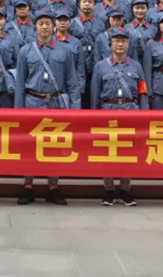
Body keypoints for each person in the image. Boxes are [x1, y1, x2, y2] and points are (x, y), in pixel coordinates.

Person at [15, 11, 80, 205]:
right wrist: (18, 112)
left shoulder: (65, 51)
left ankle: (53, 187)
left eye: (48, 24)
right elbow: (20, 83)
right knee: (30, 145)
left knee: (55, 145)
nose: (44, 27)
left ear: (54, 27)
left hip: (55, 102)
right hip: (32, 102)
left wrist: (75, 111)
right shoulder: (25, 51)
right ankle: (28, 186)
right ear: (35, 27)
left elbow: (72, 82)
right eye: (41, 23)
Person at [92, 29, 146, 206]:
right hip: (108, 109)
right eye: (116, 41)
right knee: (108, 151)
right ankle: (108, 189)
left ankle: (125, 189)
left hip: (130, 110)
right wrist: (95, 116)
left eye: (123, 41)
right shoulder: (100, 66)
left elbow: (143, 92)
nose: (120, 44)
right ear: (110, 45)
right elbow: (95, 93)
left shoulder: (136, 66)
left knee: (127, 151)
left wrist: (144, 115)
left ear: (128, 45)